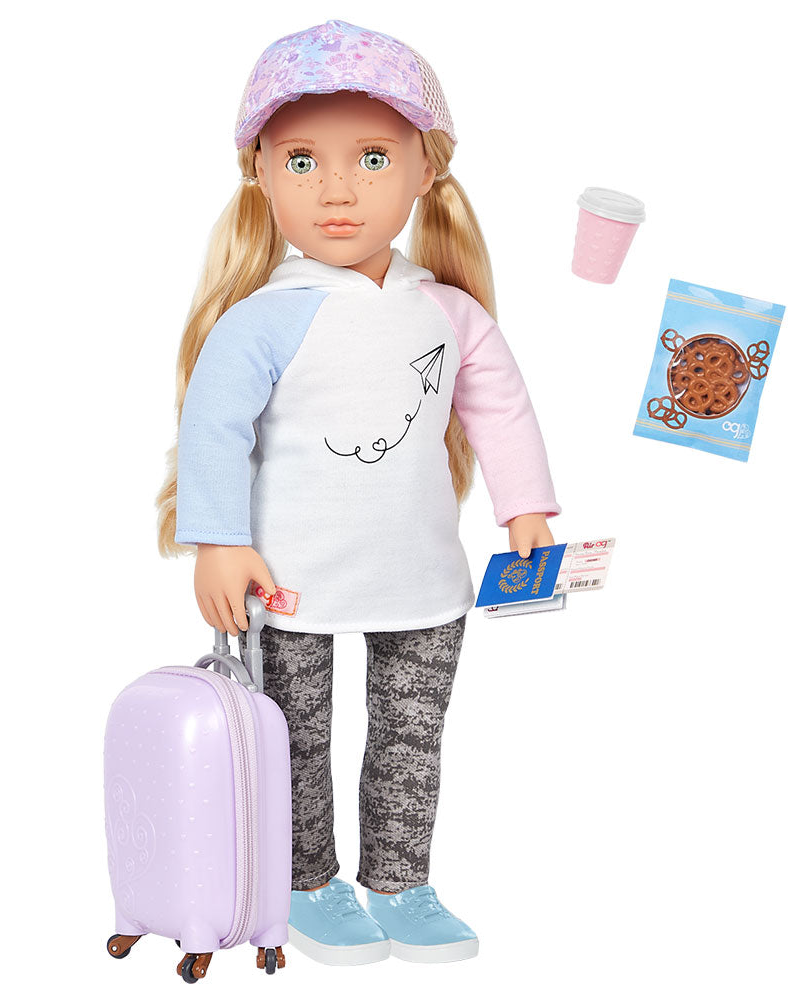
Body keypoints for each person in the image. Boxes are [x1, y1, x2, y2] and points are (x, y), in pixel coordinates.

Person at [156, 20, 560, 966]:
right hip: (288, 574)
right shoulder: (264, 319)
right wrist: (216, 538)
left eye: (373, 158)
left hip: (421, 572)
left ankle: (402, 882)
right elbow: (213, 427)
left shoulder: (448, 311)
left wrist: (526, 510)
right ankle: (304, 883)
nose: (337, 190)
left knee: (412, 738)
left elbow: (500, 409)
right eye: (302, 161)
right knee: (292, 739)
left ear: (426, 170)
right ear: (260, 173)